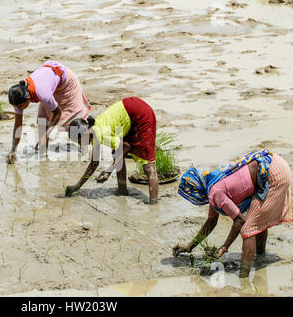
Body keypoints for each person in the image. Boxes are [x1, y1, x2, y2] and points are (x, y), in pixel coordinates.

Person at [174, 149, 293, 278]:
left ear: (197, 188)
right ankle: (260, 257)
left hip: (274, 175)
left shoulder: (215, 192)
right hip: (275, 162)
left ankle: (244, 279)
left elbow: (240, 220)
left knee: (249, 229)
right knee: (257, 220)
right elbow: (211, 221)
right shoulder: (213, 181)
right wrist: (190, 246)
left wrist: (224, 247)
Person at [64, 97, 158, 204]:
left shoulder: (101, 134)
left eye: (79, 141)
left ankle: (153, 206)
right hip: (128, 114)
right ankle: (122, 191)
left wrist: (109, 170)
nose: (80, 145)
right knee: (117, 154)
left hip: (140, 114)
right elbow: (94, 164)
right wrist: (76, 187)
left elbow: (126, 147)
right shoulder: (94, 132)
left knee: (148, 166)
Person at [6, 60, 91, 164]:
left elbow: (58, 113)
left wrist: (46, 134)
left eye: (21, 107)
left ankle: (85, 147)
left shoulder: (42, 93)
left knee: (73, 116)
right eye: (17, 107)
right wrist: (13, 150)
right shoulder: (18, 98)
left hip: (66, 82)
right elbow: (18, 125)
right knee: (43, 118)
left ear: (28, 98)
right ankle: (43, 151)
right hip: (50, 82)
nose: (19, 109)